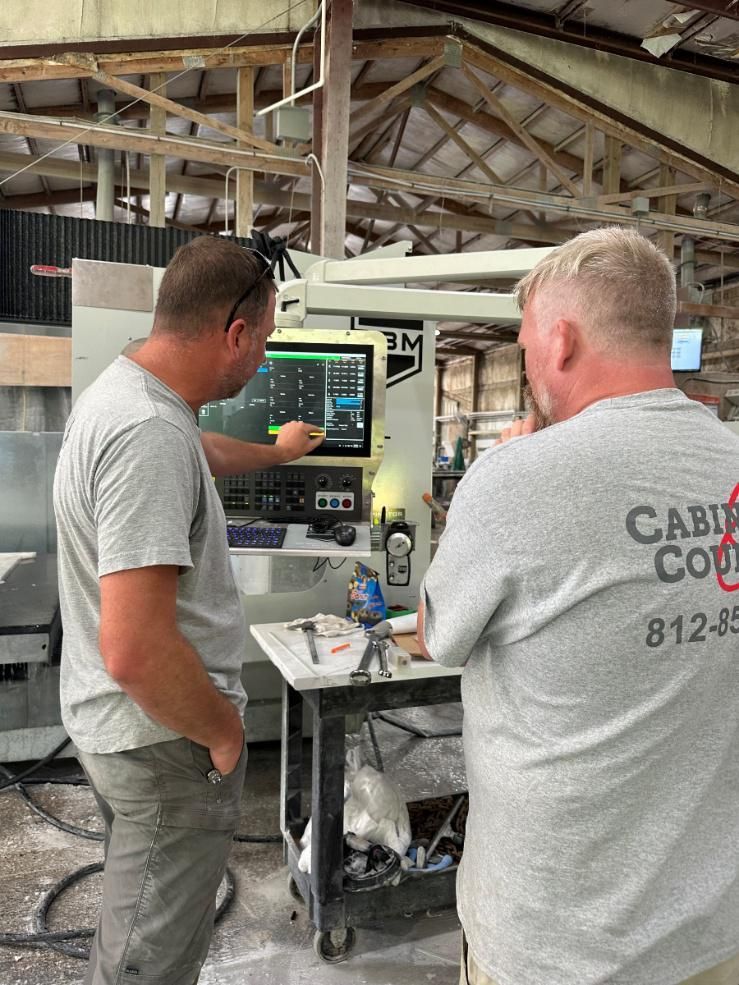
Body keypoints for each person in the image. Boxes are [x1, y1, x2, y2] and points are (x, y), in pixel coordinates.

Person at [417, 227, 739, 985]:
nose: (530, 362)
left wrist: (500, 473)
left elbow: (437, 634)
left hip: (556, 944)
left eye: (527, 345)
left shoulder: (513, 479)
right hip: (715, 929)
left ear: (559, 341)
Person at [53, 235, 324, 985]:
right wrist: (224, 732)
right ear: (234, 333)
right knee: (149, 961)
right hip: (165, 742)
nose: (263, 360)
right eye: (264, 340)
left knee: (137, 922)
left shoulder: (133, 399)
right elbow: (136, 649)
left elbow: (199, 449)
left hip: (125, 730)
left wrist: (278, 454)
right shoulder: (148, 434)